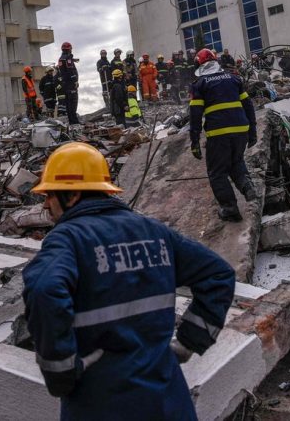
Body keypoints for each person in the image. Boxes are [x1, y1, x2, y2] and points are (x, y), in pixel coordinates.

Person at [22, 142, 235, 421]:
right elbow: (218, 274)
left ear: (72, 195)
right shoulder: (153, 231)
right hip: (168, 398)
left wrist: (60, 372)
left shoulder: (68, 240)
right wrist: (187, 343)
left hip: (103, 401)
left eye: (49, 195)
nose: (46, 204)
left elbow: (44, 289)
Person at [188, 48, 257, 222]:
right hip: (241, 130)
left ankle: (230, 208)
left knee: (217, 172)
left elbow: (195, 114)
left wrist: (194, 141)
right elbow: (248, 105)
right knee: (236, 161)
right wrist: (252, 130)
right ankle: (247, 186)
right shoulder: (234, 78)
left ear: (199, 63)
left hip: (219, 134)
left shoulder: (200, 84)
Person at [57, 42, 80, 125]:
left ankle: (72, 122)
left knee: (68, 104)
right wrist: (75, 81)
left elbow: (64, 68)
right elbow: (70, 70)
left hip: (65, 84)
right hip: (71, 84)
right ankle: (75, 122)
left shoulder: (61, 59)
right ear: (69, 49)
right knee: (73, 104)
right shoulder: (68, 58)